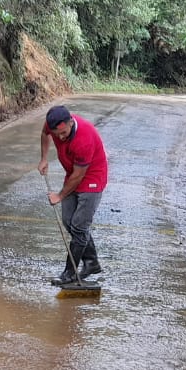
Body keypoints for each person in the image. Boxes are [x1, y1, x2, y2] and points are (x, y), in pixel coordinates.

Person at [38, 105, 107, 286]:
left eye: (64, 133)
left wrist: (59, 196)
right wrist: (44, 158)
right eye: (57, 134)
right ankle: (91, 262)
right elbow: (44, 134)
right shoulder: (53, 123)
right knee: (69, 221)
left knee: (78, 226)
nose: (60, 138)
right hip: (73, 174)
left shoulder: (84, 138)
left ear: (70, 122)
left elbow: (79, 176)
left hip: (91, 178)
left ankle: (69, 273)